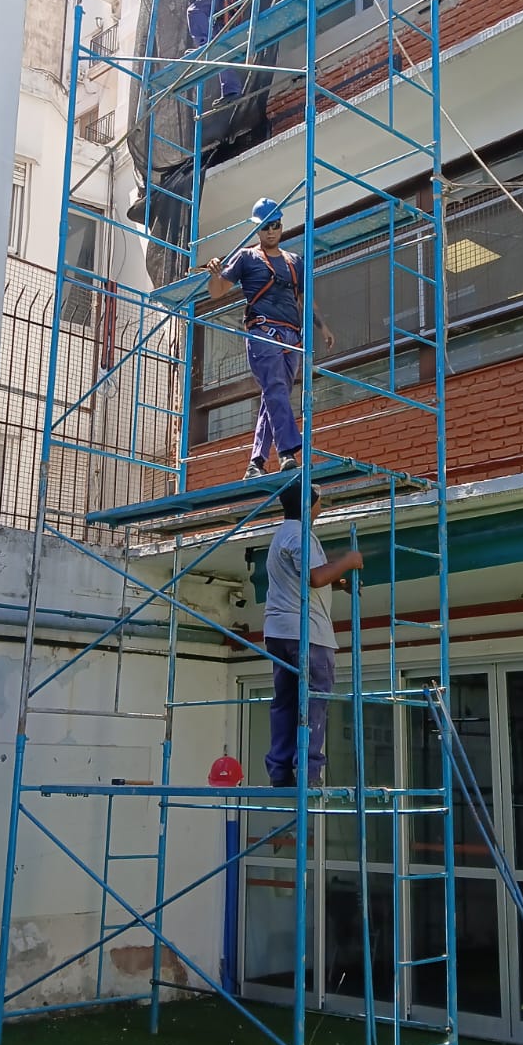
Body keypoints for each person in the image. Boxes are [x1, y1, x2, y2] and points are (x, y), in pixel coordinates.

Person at [207, 198, 335, 481]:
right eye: (265, 227)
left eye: (275, 225)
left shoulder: (294, 261)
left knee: (274, 397)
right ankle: (287, 452)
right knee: (275, 388)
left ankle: (257, 461)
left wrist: (322, 327)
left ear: (281, 225)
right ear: (258, 229)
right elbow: (217, 291)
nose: (271, 231)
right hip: (263, 332)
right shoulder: (246, 257)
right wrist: (214, 275)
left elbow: (304, 298)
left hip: (292, 338)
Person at [263, 482, 363, 789]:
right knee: (315, 700)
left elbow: (306, 578)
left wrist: (339, 581)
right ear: (309, 506)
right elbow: (315, 577)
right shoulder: (299, 534)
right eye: (319, 501)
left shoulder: (284, 534)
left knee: (286, 702)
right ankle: (308, 770)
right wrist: (348, 561)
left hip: (279, 632)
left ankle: (280, 771)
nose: (322, 505)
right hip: (307, 634)